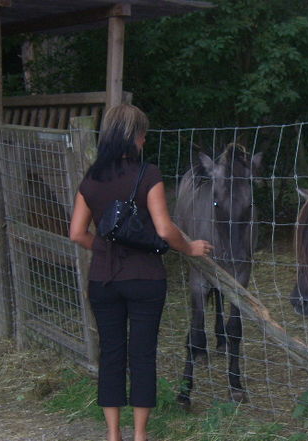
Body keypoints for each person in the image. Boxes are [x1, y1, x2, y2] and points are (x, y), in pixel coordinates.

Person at [69, 104, 213, 441]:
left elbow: (76, 233)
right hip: (146, 278)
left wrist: (104, 249)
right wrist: (190, 248)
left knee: (112, 352)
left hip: (103, 280)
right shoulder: (148, 174)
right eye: (142, 134)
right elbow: (164, 229)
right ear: (134, 137)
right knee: (143, 354)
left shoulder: (91, 177)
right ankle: (140, 433)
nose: (145, 139)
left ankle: (112, 433)